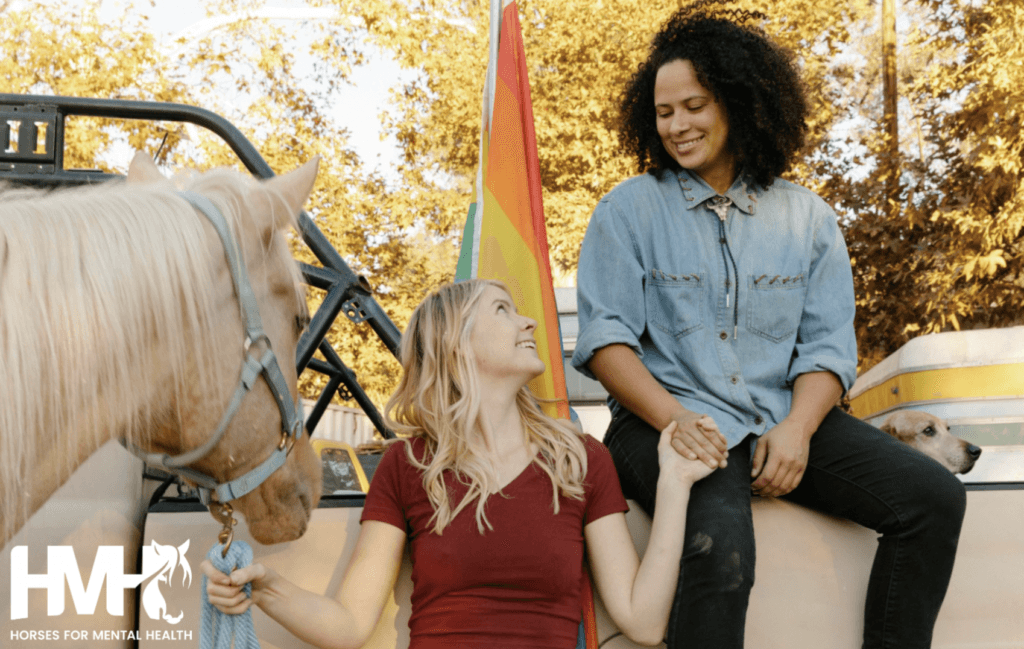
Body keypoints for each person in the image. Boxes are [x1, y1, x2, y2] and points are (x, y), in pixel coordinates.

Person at [572, 4, 967, 648]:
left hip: (778, 416)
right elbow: (606, 342)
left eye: (694, 106)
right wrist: (675, 422)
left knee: (933, 499)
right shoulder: (627, 210)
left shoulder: (807, 218)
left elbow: (828, 348)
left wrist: (798, 429)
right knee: (721, 544)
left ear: (738, 101)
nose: (677, 125)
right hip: (664, 419)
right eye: (664, 112)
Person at [203, 279, 717, 649]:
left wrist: (674, 485)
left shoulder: (580, 460)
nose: (529, 321)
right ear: (456, 344)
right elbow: (349, 624)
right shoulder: (408, 465)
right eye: (502, 309)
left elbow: (644, 624)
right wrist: (266, 587)